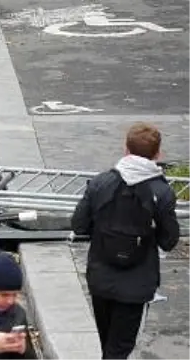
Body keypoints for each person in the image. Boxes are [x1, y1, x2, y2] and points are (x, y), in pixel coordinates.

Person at [71, 123, 180, 360]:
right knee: (120, 349)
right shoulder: (161, 192)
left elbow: (78, 225)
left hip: (100, 276)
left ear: (126, 149)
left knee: (107, 343)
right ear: (158, 154)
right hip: (137, 283)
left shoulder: (100, 182)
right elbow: (169, 240)